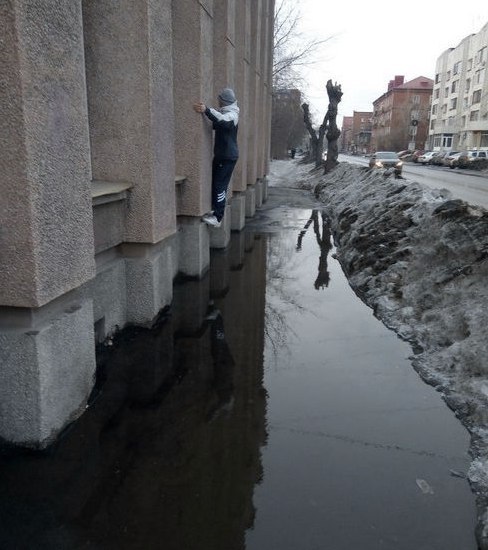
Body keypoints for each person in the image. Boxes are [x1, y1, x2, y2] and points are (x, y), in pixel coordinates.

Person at [193, 88, 239, 228]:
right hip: (223, 155)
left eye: (219, 99)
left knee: (220, 186)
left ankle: (218, 217)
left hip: (227, 157)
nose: (218, 100)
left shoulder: (231, 115)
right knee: (218, 184)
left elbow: (222, 120)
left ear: (223, 101)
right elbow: (218, 122)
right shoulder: (227, 112)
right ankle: (216, 211)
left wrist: (206, 110)